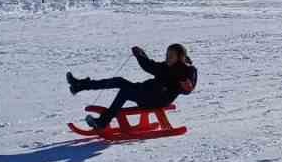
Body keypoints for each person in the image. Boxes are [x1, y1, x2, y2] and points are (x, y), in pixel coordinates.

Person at [68, 43, 197, 130]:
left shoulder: (188, 70)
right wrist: (140, 54)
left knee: (125, 91)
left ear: (180, 57)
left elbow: (186, 89)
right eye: (167, 55)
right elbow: (149, 66)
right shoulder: (165, 66)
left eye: (171, 56)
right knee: (119, 81)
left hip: (157, 100)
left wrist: (186, 87)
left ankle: (103, 122)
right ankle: (79, 85)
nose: (167, 58)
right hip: (146, 92)